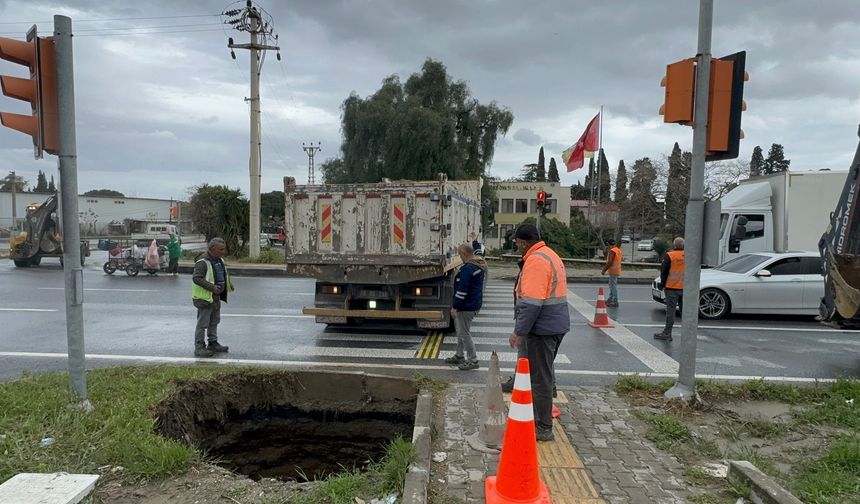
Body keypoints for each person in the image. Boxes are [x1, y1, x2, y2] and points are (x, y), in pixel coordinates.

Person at [508, 223, 570, 442]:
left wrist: (519, 331)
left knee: (539, 379)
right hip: (554, 324)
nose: (516, 246)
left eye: (517, 242)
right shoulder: (549, 254)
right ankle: (541, 412)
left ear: (524, 242)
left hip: (542, 328)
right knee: (543, 372)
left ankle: (543, 426)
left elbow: (532, 303)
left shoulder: (535, 261)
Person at [444, 243, 487, 371]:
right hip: (473, 303)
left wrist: (455, 306)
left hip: (466, 306)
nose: (460, 257)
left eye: (460, 254)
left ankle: (473, 359)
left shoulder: (468, 269)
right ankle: (459, 355)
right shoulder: (478, 265)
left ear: (463, 254)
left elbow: (462, 290)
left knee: (464, 333)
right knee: (461, 331)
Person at [192, 238, 235, 357]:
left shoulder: (219, 260)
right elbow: (196, 278)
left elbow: (221, 274)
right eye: (221, 249)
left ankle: (213, 342)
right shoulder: (203, 262)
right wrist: (211, 287)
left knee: (214, 321)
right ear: (212, 249)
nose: (223, 251)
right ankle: (199, 347)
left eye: (223, 249)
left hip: (215, 296)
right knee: (203, 323)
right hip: (204, 298)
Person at [654, 237, 685, 341]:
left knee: (671, 311)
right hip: (685, 288)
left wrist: (662, 285)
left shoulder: (670, 255)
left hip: (671, 287)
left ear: (674, 245)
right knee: (684, 312)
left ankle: (667, 333)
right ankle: (687, 332)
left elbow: (664, 272)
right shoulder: (689, 255)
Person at [601, 238, 622, 307]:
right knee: (611, 285)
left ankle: (615, 301)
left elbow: (609, 262)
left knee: (613, 286)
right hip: (617, 270)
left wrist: (604, 270)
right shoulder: (618, 250)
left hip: (613, 271)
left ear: (608, 244)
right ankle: (610, 299)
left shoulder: (612, 251)